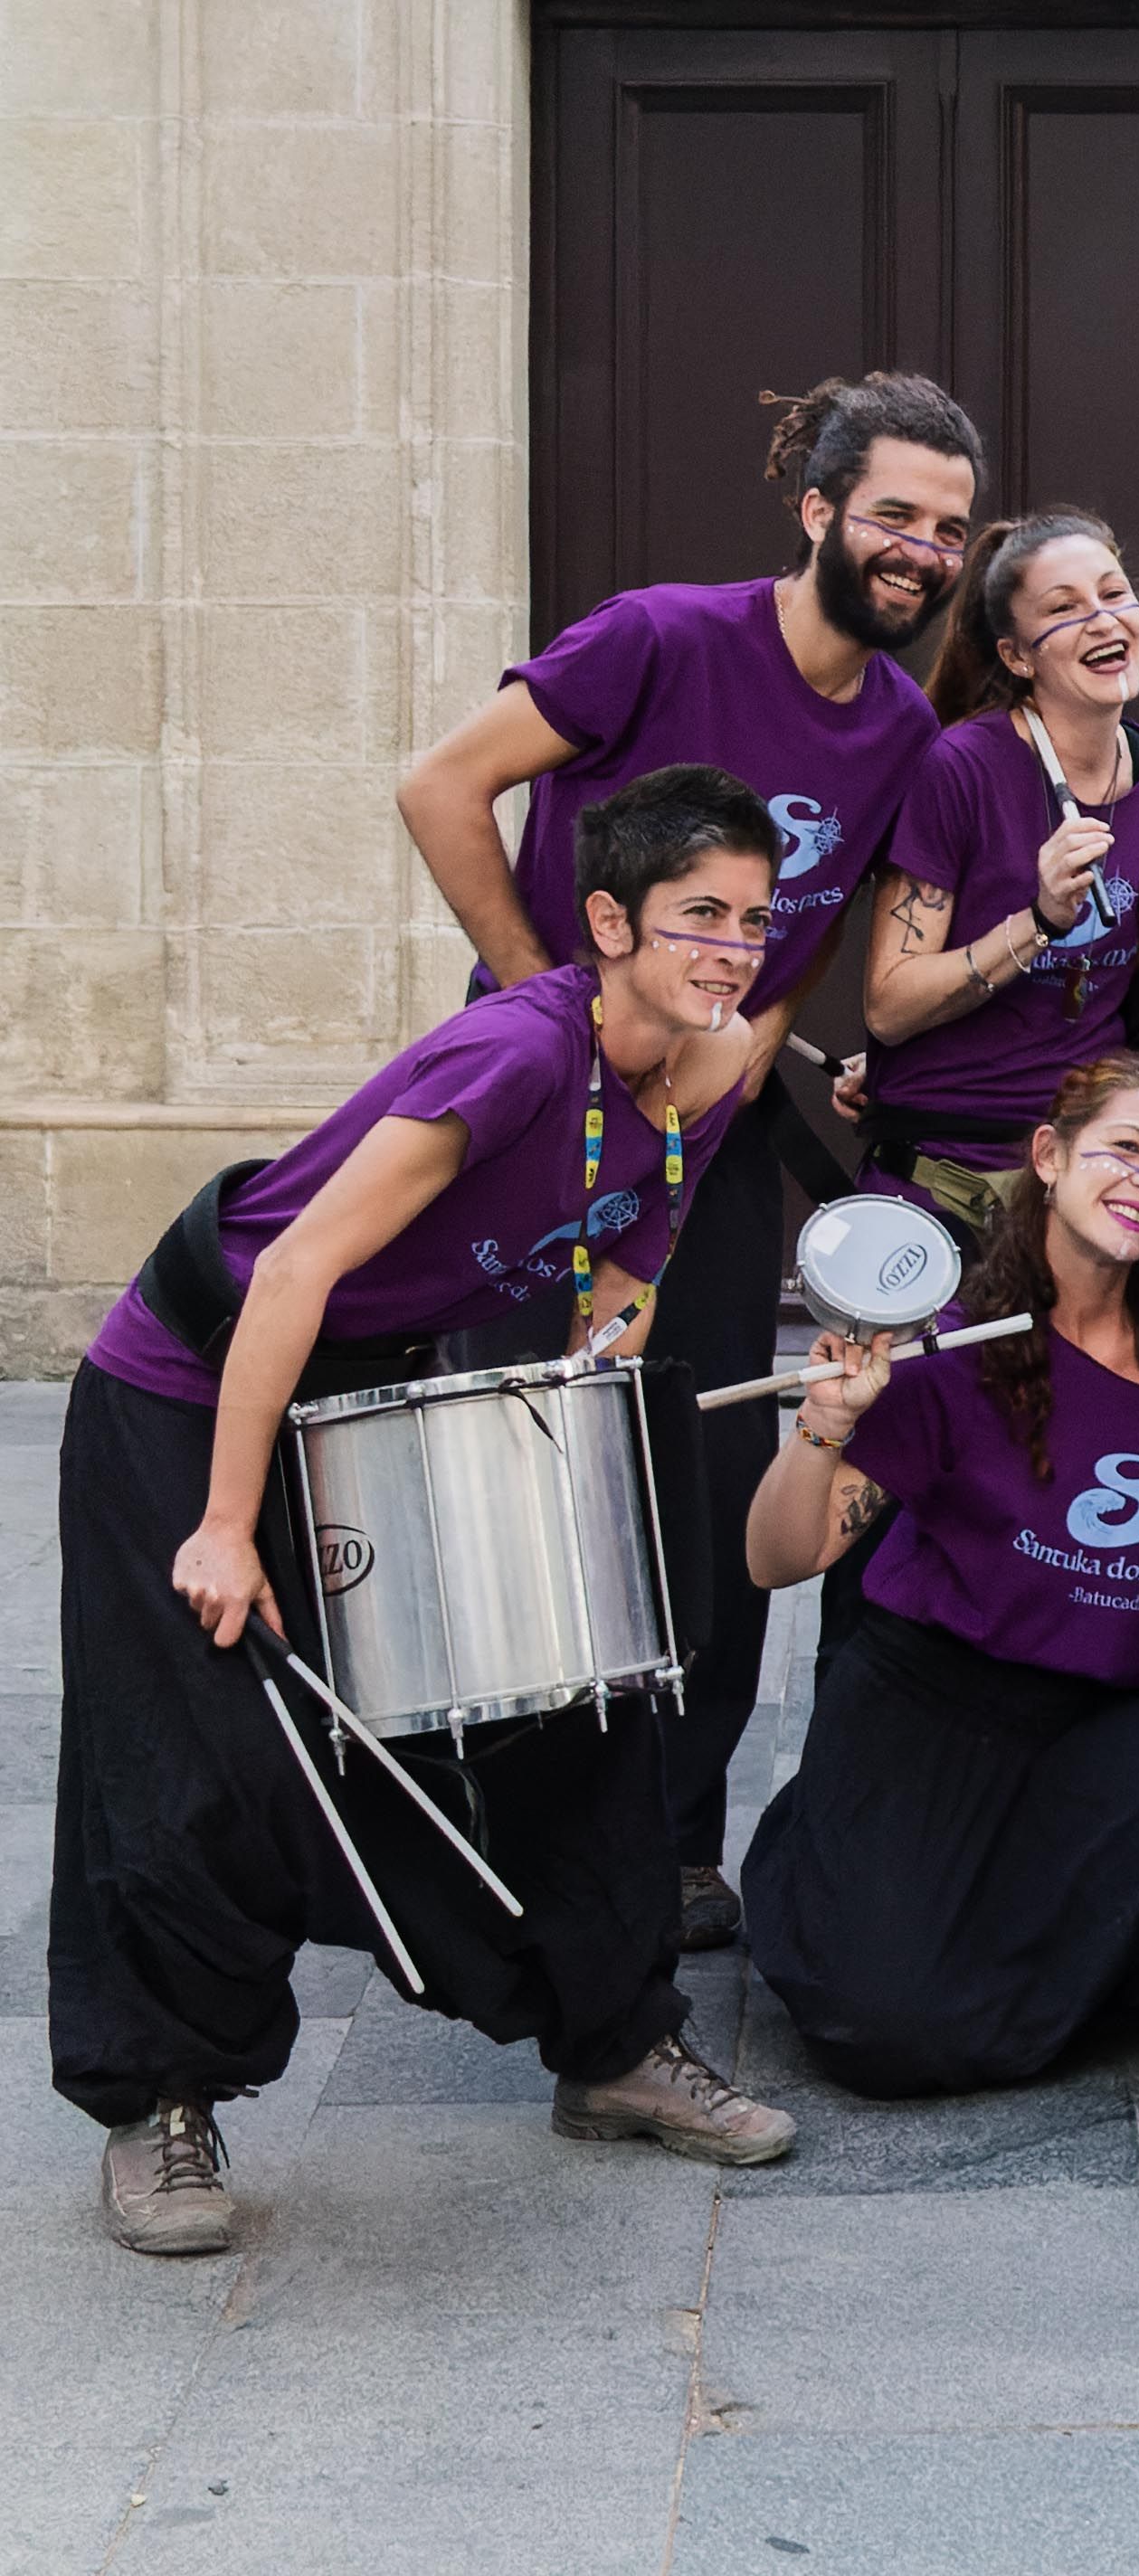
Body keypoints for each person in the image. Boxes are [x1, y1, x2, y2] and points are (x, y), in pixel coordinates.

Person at [59, 767, 802, 2255]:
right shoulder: (517, 1054)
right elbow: (292, 1269)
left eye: (752, 919)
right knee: (205, 1751)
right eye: (700, 917)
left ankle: (615, 2044)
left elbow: (625, 1266)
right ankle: (161, 2103)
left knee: (580, 1695)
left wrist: (588, 1399)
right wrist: (225, 1522)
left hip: (369, 1377)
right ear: (610, 923)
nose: (733, 949)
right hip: (191, 1384)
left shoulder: (698, 1064)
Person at [394, 372, 986, 1951]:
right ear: (818, 510)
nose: (923, 551)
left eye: (948, 528)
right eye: (895, 516)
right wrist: (550, 1006)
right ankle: (498, 1840)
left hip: (704, 1147)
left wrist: (739, 1058)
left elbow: (808, 931)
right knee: (521, 1469)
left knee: (707, 1474)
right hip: (532, 1130)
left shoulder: (905, 727)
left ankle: (673, 1844)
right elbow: (441, 786)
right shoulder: (656, 638)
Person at [738, 1055, 1139, 2097]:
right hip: (928, 1713)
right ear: (1049, 1155)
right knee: (885, 2033)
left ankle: (1013, 1961)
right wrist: (822, 1424)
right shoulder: (953, 1350)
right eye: (1125, 1149)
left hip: (1082, 1727)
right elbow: (778, 1558)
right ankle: (840, 1867)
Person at [855, 510, 1139, 1240]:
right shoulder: (961, 768)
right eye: (1064, 609)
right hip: (945, 1174)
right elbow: (889, 1005)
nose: (1102, 620)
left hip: (1080, 1168)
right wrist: (1039, 922)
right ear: (1016, 656)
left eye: (1114, 594)